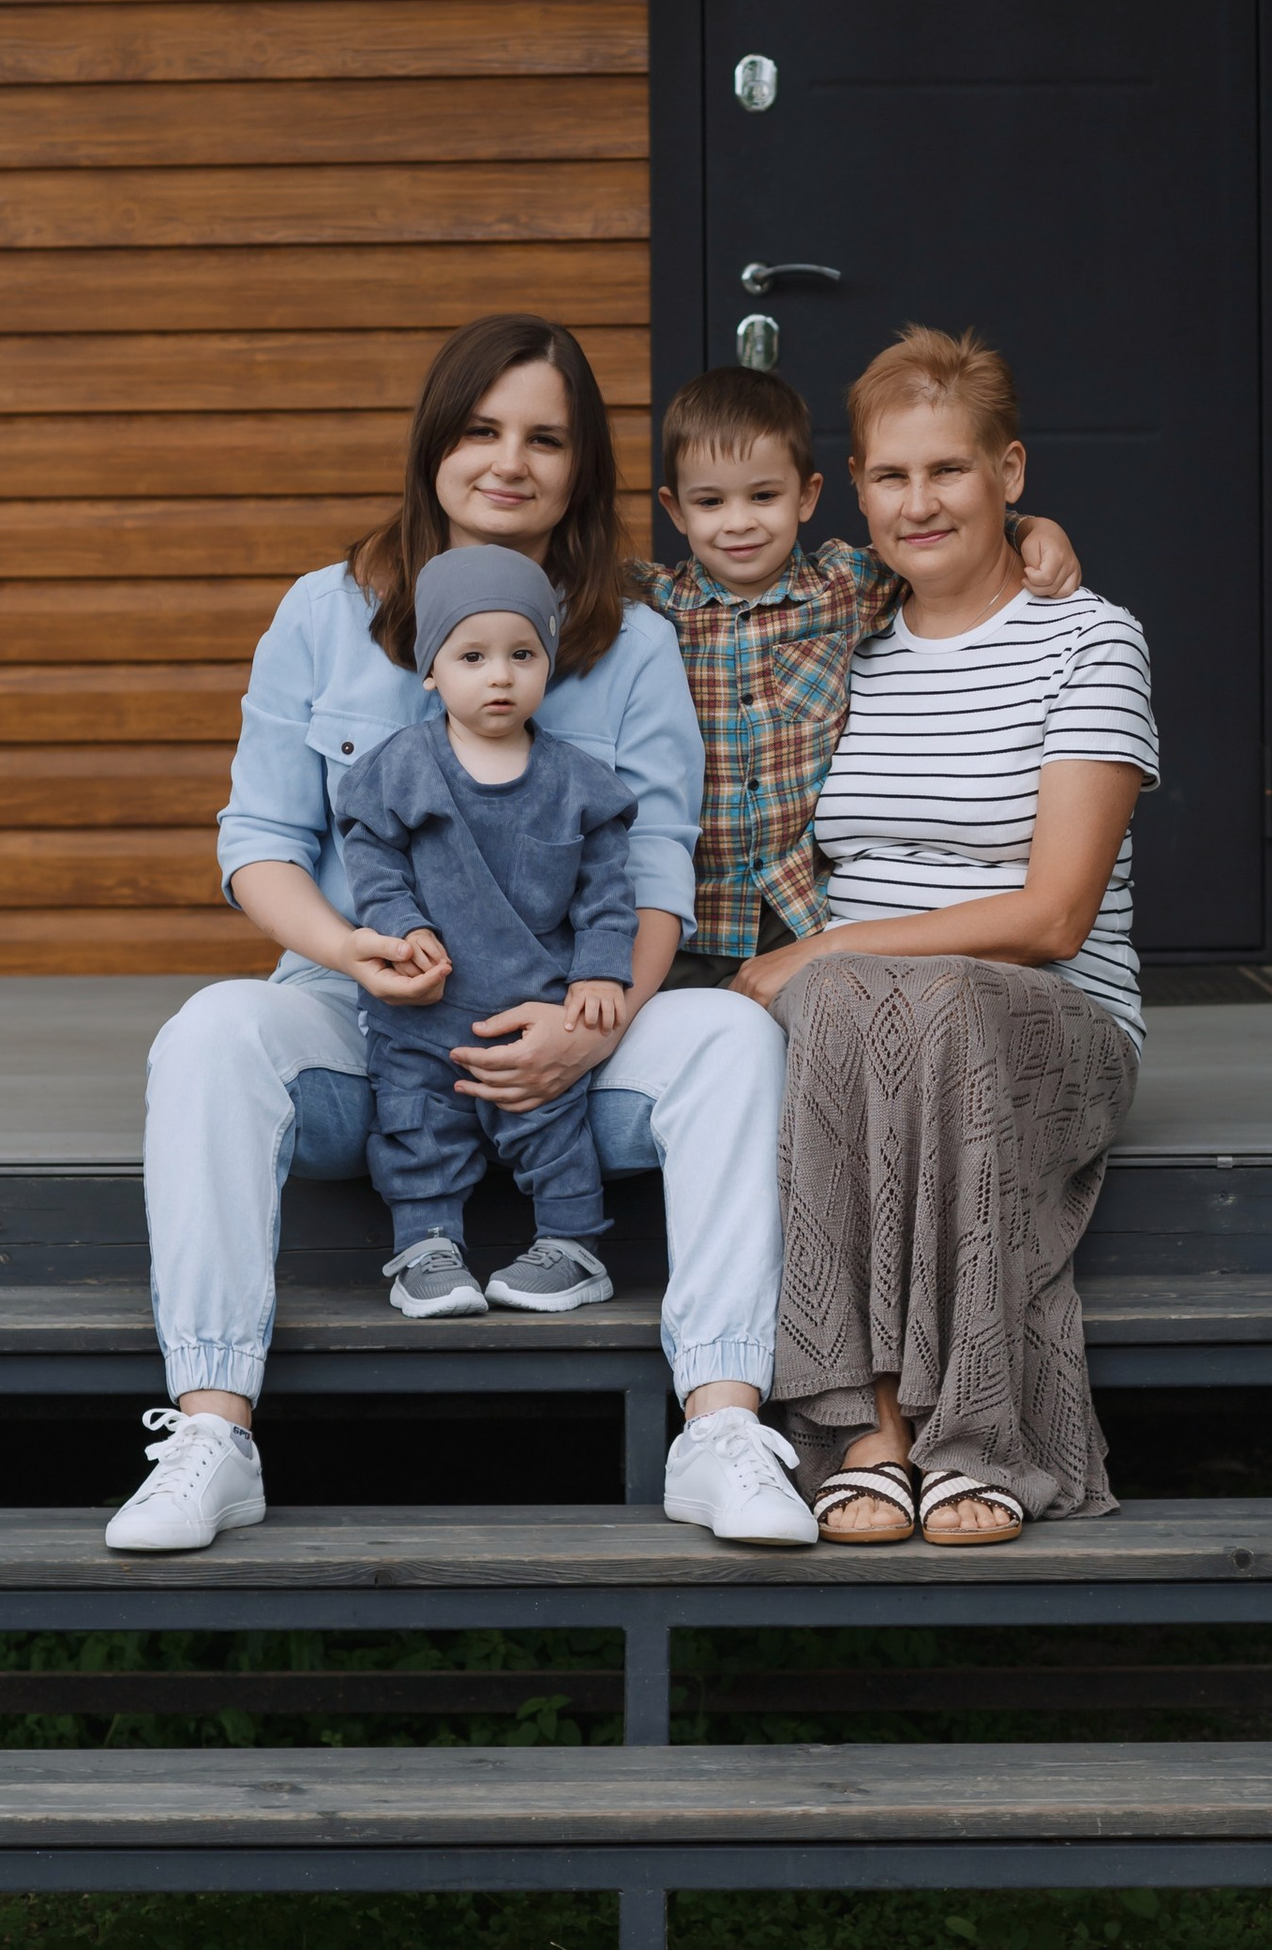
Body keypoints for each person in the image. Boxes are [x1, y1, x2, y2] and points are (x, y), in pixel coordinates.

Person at [110, 316, 813, 1557]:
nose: (510, 462)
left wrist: (595, 1028)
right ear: (434, 442)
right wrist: (348, 950)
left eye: (546, 439)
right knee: (210, 1032)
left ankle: (720, 1426)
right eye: (482, 430)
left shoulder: (634, 643)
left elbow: (658, 868)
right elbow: (258, 839)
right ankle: (213, 1432)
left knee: (729, 1036)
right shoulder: (325, 612)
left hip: (568, 1046)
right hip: (367, 1034)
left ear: (582, 468)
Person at [730, 326, 1158, 1548]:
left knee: (917, 1001)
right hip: (859, 1029)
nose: (917, 503)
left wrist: (827, 950)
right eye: (890, 476)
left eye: (948, 471)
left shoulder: (1090, 638)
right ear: (856, 493)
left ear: (1008, 473)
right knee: (857, 1010)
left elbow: (1053, 916)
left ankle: (978, 1434)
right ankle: (867, 1431)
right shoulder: (839, 641)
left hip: (1046, 1018)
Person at [636, 365, 1081, 980]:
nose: (738, 522)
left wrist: (1029, 527)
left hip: (799, 912)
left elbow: (943, 535)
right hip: (686, 912)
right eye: (710, 502)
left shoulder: (845, 587)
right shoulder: (652, 605)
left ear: (807, 496)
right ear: (675, 509)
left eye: (763, 496)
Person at [342, 546, 638, 1308]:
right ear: (431, 670)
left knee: (554, 1125)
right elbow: (372, 858)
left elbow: (606, 892)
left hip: (531, 1010)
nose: (499, 676)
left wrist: (600, 970)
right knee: (417, 1128)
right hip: (422, 1013)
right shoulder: (403, 766)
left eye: (522, 654)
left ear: (548, 664)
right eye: (472, 656)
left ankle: (573, 1248)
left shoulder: (578, 783)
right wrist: (402, 926)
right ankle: (426, 1250)